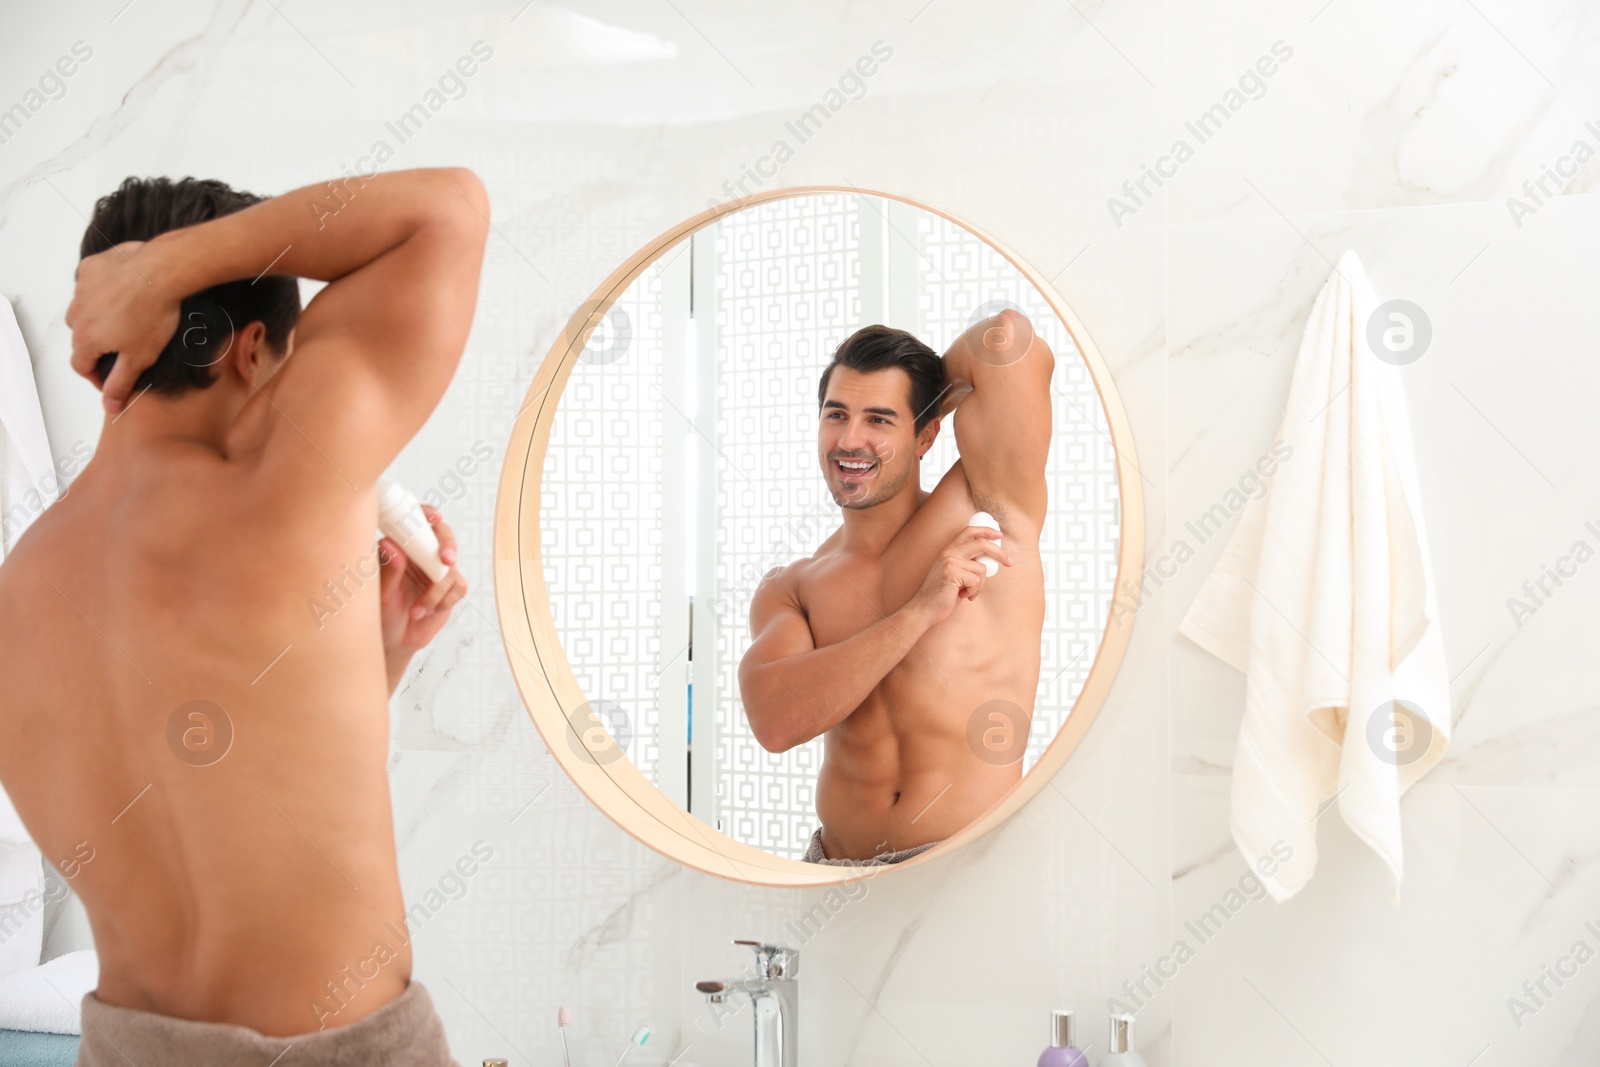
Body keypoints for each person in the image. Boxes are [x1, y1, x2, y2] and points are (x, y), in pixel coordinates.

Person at [0, 167, 487, 1063]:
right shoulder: (284, 472)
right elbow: (449, 209)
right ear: (251, 348)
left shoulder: (21, 588)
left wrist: (374, 660)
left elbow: (203, 787)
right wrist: (169, 269)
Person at [739, 311, 1054, 865]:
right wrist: (920, 610)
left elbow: (1010, 342)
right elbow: (775, 722)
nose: (850, 439)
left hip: (968, 868)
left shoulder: (987, 506)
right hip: (834, 871)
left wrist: (935, 393)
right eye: (836, 414)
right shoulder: (794, 585)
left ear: (927, 433)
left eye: (880, 420)